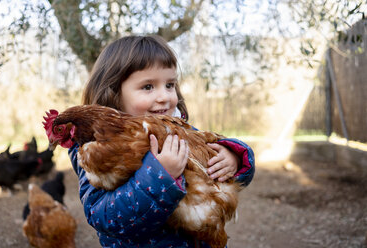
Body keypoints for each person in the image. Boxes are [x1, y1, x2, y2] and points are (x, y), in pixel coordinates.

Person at [68, 35, 255, 248]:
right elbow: (104, 217)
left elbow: (218, 160)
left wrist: (235, 157)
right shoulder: (94, 153)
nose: (164, 96)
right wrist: (159, 176)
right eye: (148, 87)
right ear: (114, 93)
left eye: (170, 84)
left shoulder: (175, 129)